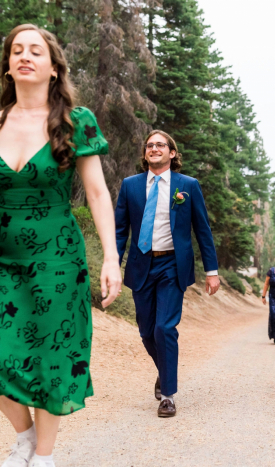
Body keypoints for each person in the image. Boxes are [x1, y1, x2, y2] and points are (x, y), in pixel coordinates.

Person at [0, 24, 121, 467]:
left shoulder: (75, 121)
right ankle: (25, 437)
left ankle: (43, 458)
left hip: (57, 259)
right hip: (1, 258)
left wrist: (111, 257)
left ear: (53, 68)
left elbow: (98, 194)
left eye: (36, 51)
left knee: (54, 357)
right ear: (8, 67)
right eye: (16, 51)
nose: (25, 56)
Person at [115, 129, 220, 418]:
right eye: (150, 145)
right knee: (147, 331)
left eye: (160, 145)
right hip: (141, 265)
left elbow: (202, 230)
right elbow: (120, 229)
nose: (154, 148)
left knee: (164, 328)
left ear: (172, 153)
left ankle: (169, 395)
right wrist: (112, 262)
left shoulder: (188, 186)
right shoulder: (130, 186)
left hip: (173, 266)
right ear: (145, 153)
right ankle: (165, 369)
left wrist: (212, 271)